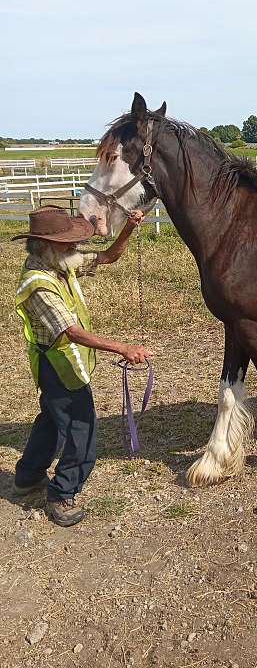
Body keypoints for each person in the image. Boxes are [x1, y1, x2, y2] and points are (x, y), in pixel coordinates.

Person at [12, 205, 151, 527]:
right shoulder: (38, 284)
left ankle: (28, 476)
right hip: (58, 364)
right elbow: (70, 332)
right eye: (68, 241)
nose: (75, 246)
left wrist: (129, 227)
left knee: (50, 418)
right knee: (81, 428)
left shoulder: (61, 263)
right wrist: (123, 347)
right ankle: (62, 493)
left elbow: (107, 257)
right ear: (45, 245)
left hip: (59, 362)